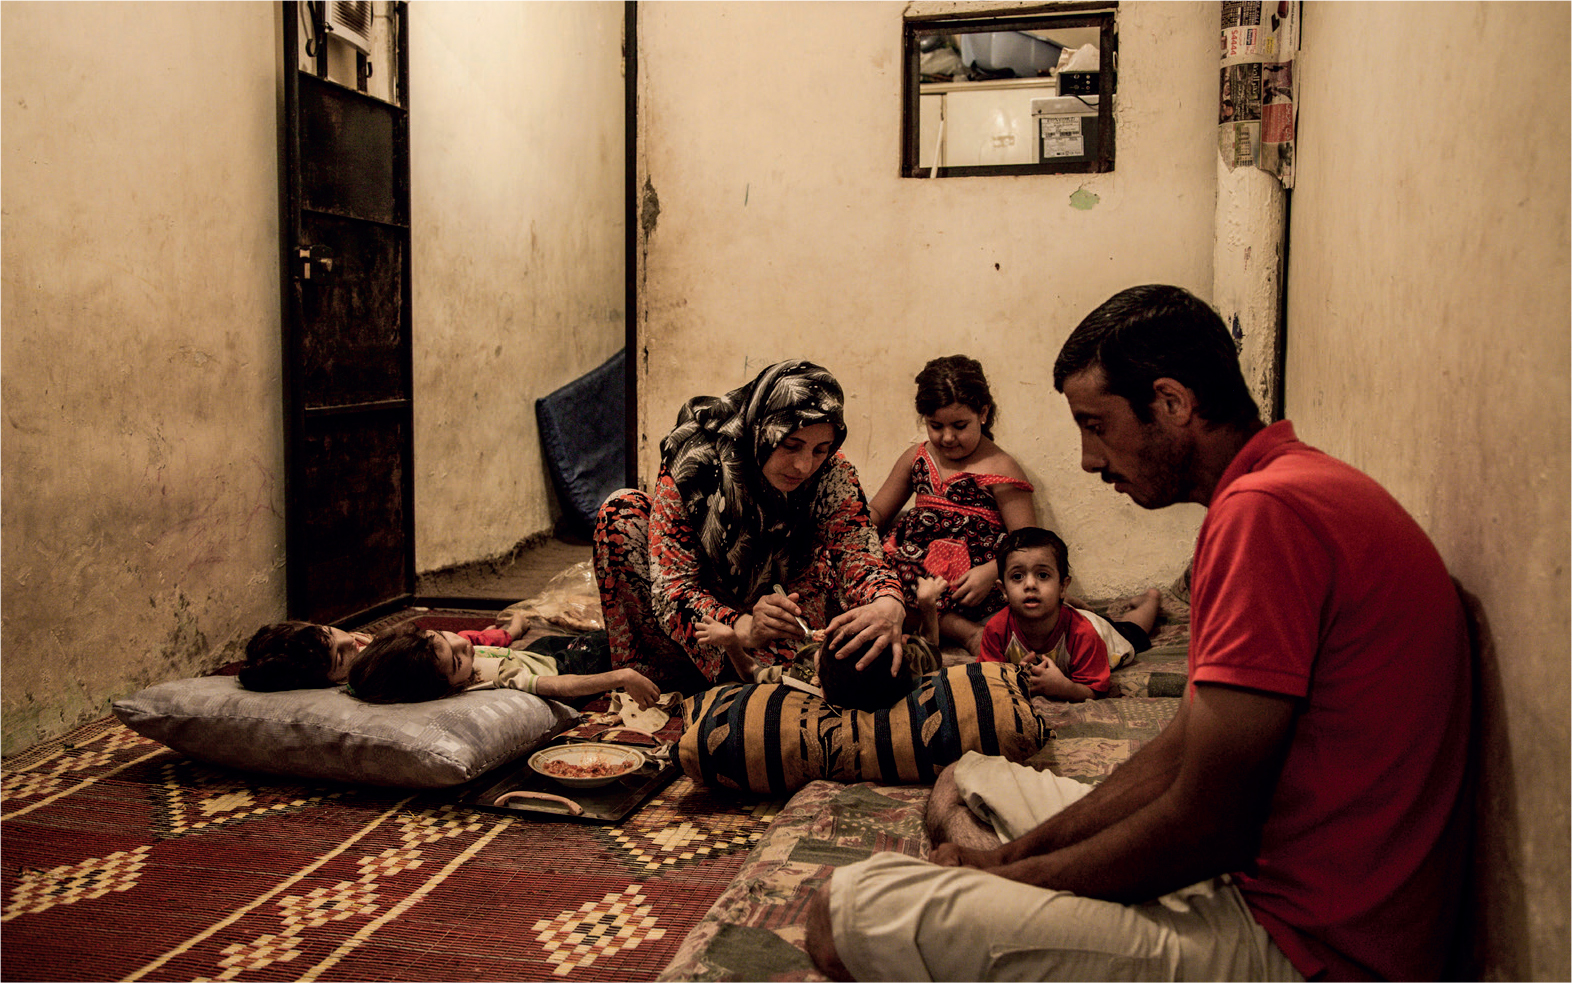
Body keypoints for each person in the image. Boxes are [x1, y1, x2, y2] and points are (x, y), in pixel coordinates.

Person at [806, 284, 1471, 981]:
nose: (1090, 459)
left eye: (1096, 424)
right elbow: (1177, 753)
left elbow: (1207, 824)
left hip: (1301, 942)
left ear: (1173, 403)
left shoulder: (1265, 514)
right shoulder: (1278, 487)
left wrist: (1010, 883)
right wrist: (1003, 859)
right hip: (1259, 876)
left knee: (848, 911)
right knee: (964, 783)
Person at [593, 359, 907, 696]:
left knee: (812, 677)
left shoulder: (830, 471)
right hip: (706, 618)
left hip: (783, 615)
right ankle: (659, 679)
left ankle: (738, 678)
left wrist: (889, 602)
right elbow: (673, 589)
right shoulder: (694, 464)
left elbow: (856, 548)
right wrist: (742, 628)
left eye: (820, 450)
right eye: (791, 446)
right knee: (621, 512)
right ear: (762, 429)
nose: (804, 466)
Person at [868, 355, 1036, 657]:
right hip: (917, 574)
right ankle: (960, 630)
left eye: (959, 426)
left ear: (982, 413)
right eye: (935, 425)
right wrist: (850, 533)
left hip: (971, 581)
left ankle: (963, 628)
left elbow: (1029, 542)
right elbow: (878, 513)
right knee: (881, 579)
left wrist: (991, 571)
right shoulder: (916, 457)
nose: (947, 437)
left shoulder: (1001, 467)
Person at [980, 526, 1161, 702]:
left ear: (1063, 586)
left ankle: (1150, 599)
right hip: (1065, 614)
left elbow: (1093, 691)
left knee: (1134, 631)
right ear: (1003, 589)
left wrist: (1063, 688)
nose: (1030, 585)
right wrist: (1012, 679)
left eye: (1042, 575)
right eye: (1017, 576)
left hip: (1102, 632)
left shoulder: (1084, 634)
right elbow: (987, 678)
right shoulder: (996, 629)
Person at [347, 620, 659, 708]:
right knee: (627, 639)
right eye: (456, 661)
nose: (462, 644)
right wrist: (621, 676)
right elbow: (561, 686)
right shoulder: (501, 678)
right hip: (572, 664)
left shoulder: (439, 655)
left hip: (537, 650)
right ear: (447, 689)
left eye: (444, 634)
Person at [238, 610, 531, 692]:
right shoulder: (372, 675)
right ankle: (512, 631)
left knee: (462, 637)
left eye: (331, 632)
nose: (348, 642)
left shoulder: (356, 644)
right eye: (339, 657)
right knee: (468, 639)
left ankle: (510, 630)